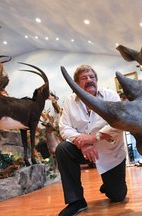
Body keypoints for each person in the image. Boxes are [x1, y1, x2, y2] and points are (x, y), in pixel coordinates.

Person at [56, 65, 127, 216]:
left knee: (118, 196)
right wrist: (83, 143)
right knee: (63, 149)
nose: (89, 80)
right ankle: (76, 201)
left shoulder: (111, 96)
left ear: (97, 80)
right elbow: (64, 128)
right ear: (76, 84)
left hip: (110, 153)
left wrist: (93, 138)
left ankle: (108, 185)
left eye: (92, 77)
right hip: (83, 149)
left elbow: (119, 123)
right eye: (84, 78)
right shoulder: (69, 102)